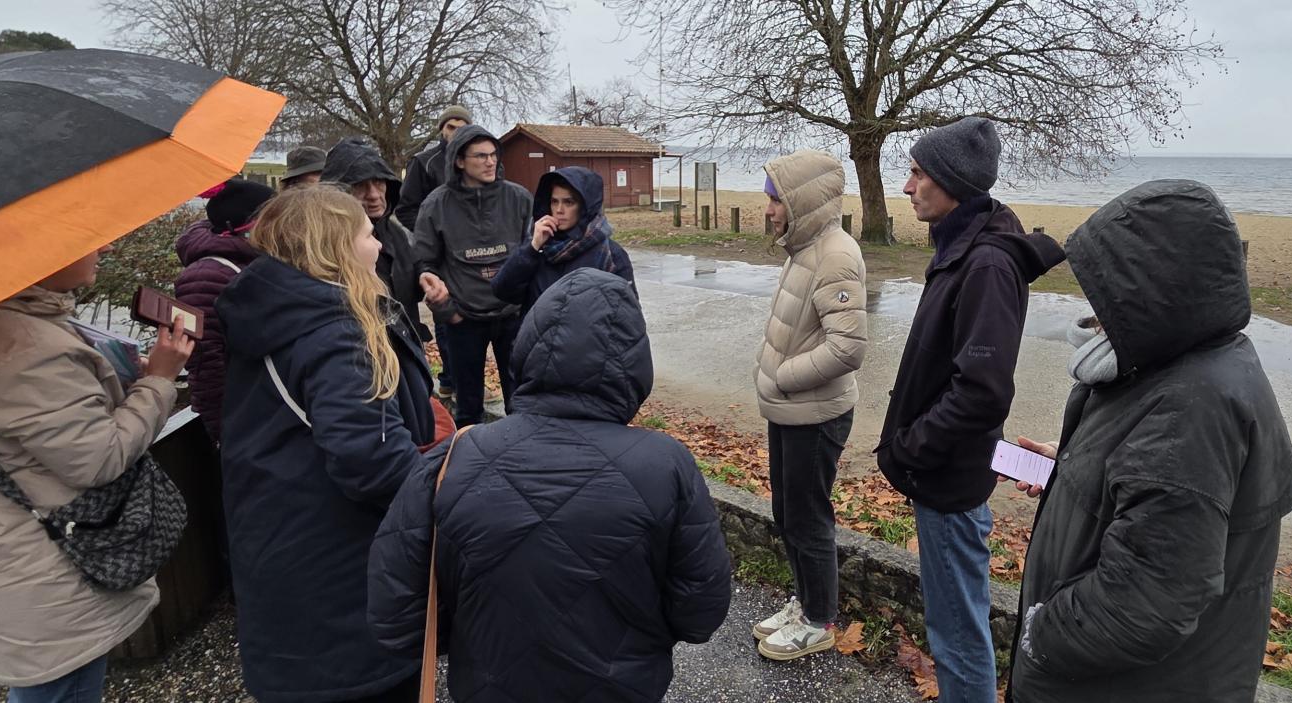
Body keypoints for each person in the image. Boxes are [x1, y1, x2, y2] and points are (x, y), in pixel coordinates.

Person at [369, 269, 732, 702]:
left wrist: (477, 636)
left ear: (527, 348)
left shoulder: (452, 459)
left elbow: (398, 616)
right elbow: (700, 613)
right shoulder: (667, 465)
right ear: (634, 361)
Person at [1004, 180, 1292, 702]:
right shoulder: (1171, 364)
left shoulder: (1191, 408)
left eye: (1104, 292)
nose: (1091, 311)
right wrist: (1070, 470)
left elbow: (1145, 604)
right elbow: (1148, 492)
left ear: (1154, 292)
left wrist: (1039, 635)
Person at [0, 245, 194, 702]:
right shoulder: (22, 347)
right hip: (43, 567)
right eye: (82, 237)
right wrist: (161, 381)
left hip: (14, 551)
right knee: (61, 689)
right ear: (35, 251)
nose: (106, 245)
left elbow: (53, 430)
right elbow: (99, 457)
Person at [216, 187, 439, 703]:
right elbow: (372, 460)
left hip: (285, 545)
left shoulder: (275, 310)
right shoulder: (334, 330)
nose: (379, 245)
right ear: (334, 246)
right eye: (366, 234)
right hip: (339, 567)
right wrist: (443, 494)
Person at [874, 116, 1064, 702]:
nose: (906, 187)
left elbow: (981, 391)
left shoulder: (985, 263)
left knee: (957, 637)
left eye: (916, 173)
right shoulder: (963, 249)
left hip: (949, 481)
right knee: (955, 629)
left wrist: (913, 445)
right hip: (947, 476)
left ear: (951, 181)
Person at [748, 150, 867, 661]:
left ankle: (819, 621)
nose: (768, 209)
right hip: (790, 408)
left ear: (800, 202)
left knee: (808, 517)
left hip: (815, 414)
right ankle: (805, 602)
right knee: (787, 512)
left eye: (775, 200)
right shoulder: (804, 248)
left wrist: (783, 378)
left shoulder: (835, 254)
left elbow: (848, 348)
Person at [412, 125, 532, 428]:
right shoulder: (436, 205)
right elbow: (423, 262)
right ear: (459, 161)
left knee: (520, 401)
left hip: (511, 318)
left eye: (493, 155)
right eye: (481, 156)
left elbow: (533, 254)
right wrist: (448, 312)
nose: (490, 162)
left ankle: (521, 459)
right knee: (468, 408)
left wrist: (526, 309)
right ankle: (470, 464)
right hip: (464, 321)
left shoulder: (518, 198)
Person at [174, 178, 275, 442]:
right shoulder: (204, 277)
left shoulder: (258, 261)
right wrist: (227, 434)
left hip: (265, 410)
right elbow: (207, 366)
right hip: (244, 423)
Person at [323, 137, 433, 347]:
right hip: (359, 352)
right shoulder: (326, 244)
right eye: (360, 185)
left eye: (379, 182)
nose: (374, 195)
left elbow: (413, 266)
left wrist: (425, 276)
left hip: (405, 348)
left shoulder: (395, 232)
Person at [491, 166, 634, 314]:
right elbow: (502, 291)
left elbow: (627, 317)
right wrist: (532, 247)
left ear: (585, 207)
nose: (559, 210)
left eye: (568, 202)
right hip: (537, 336)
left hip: (586, 337)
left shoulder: (610, 254)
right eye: (554, 201)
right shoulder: (540, 248)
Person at [394, 104, 474, 229]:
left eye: (461, 128)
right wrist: (434, 235)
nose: (456, 133)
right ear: (442, 129)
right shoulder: (422, 162)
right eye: (451, 127)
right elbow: (406, 210)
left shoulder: (481, 160)